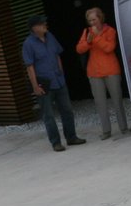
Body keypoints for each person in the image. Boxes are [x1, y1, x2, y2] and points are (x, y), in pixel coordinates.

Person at [22, 15, 85, 153]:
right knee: (48, 115)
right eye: (41, 23)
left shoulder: (50, 36)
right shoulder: (28, 44)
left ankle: (71, 137)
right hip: (44, 84)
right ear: (34, 28)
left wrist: (60, 70)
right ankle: (56, 142)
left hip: (58, 80)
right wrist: (35, 86)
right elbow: (30, 66)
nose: (45, 24)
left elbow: (57, 53)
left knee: (67, 110)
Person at [76, 8, 130, 140]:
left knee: (117, 99)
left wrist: (96, 38)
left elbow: (109, 48)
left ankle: (123, 127)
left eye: (94, 19)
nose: (92, 23)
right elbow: (79, 49)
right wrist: (88, 41)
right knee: (100, 103)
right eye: (89, 20)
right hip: (94, 72)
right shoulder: (86, 32)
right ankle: (106, 130)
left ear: (100, 18)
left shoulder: (110, 31)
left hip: (111, 70)